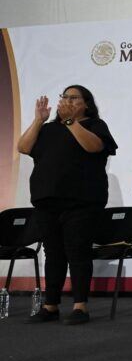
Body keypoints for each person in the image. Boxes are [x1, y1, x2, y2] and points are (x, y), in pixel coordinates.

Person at [18, 85, 118, 325]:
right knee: (53, 253)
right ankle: (50, 305)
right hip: (47, 200)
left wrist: (71, 122)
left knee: (78, 250)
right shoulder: (48, 129)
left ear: (86, 104)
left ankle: (80, 306)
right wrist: (38, 120)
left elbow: (94, 147)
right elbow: (24, 147)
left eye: (74, 98)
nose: (68, 101)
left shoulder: (95, 125)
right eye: (65, 97)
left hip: (82, 201)